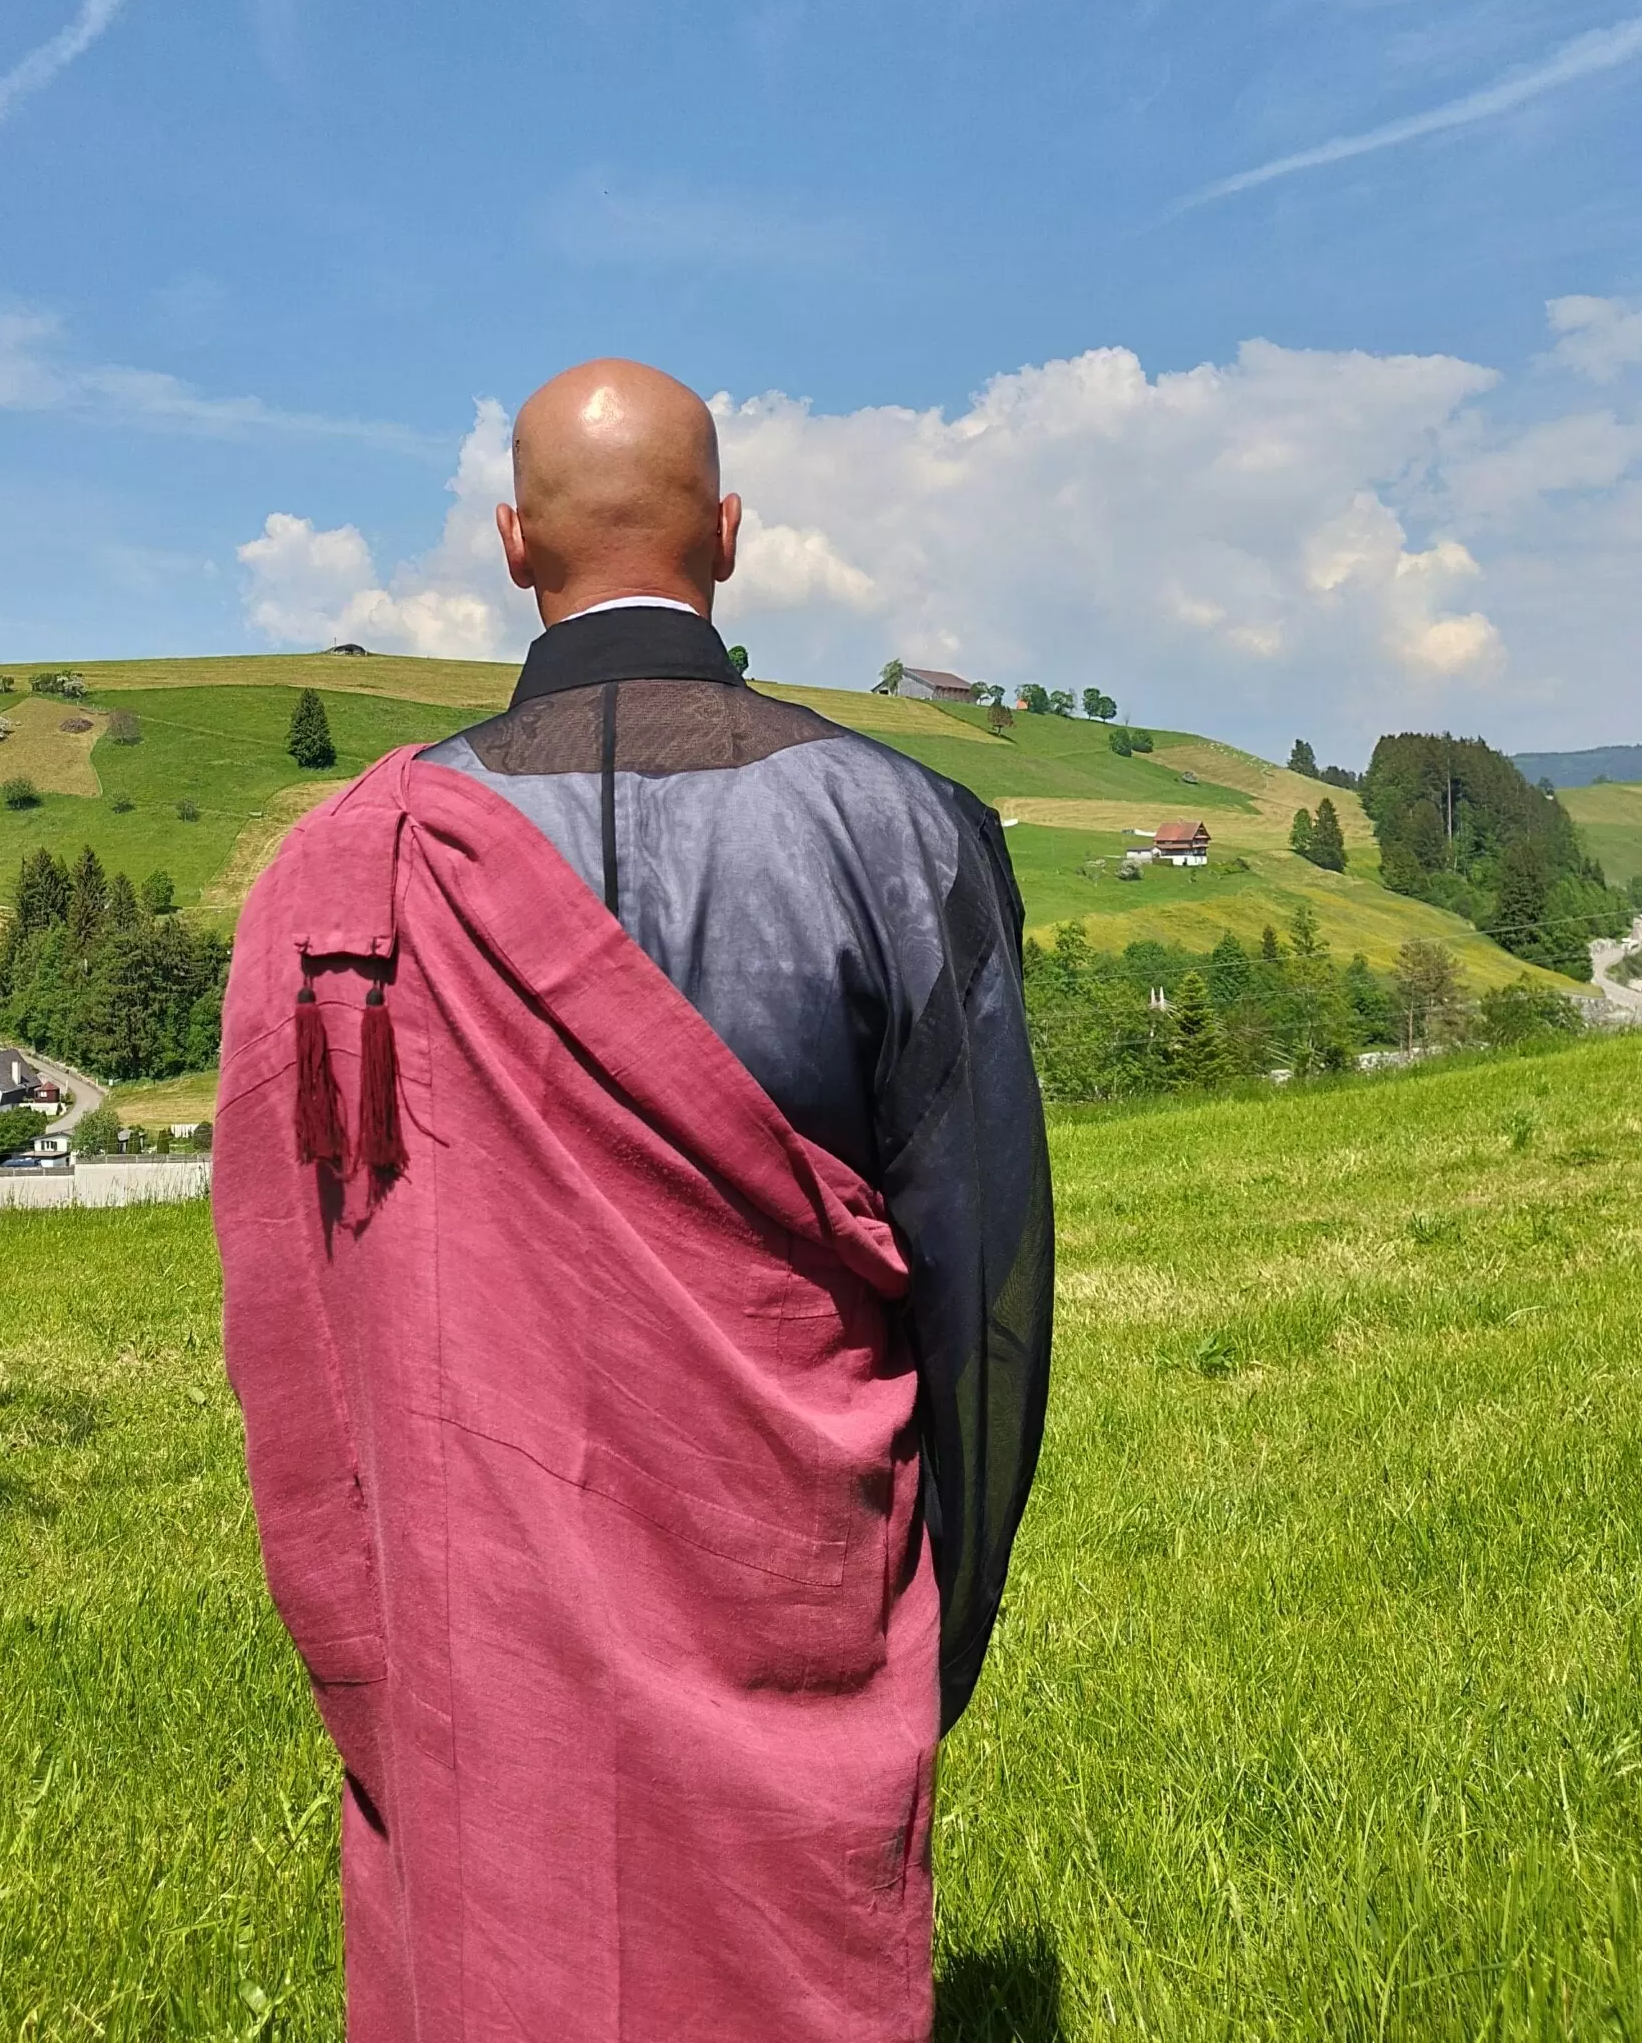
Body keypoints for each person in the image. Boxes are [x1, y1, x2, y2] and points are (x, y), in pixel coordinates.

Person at [213, 359, 1052, 2043]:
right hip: (799, 1596)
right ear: (730, 537)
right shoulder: (903, 831)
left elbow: (296, 1309)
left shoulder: (337, 876)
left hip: (476, 1637)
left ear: (512, 545)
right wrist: (938, 1623)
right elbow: (985, 1291)